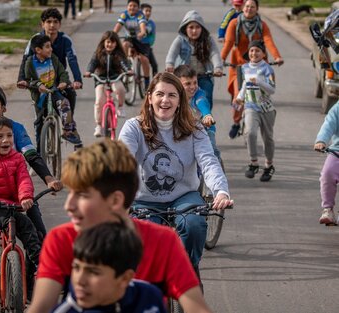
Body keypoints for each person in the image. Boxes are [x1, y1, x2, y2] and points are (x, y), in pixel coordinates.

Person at [28, 139, 213, 313]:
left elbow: (196, 307)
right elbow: (41, 307)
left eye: (82, 195)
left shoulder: (163, 241)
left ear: (116, 200)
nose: (69, 205)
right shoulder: (61, 240)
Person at [118, 72, 233, 277]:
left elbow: (208, 161)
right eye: (160, 94)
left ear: (180, 101)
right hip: (143, 200)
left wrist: (221, 191)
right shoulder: (133, 127)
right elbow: (122, 161)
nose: (165, 100)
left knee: (195, 225)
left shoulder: (194, 128)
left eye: (172, 95)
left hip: (183, 196)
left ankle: (188, 272)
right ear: (150, 97)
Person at [0, 84, 62, 280]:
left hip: (17, 194)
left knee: (37, 232)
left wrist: (49, 178)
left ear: (3, 108)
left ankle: (30, 277)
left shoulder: (15, 129)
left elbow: (31, 156)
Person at [0, 116, 42, 300]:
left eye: (9, 135)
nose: (6, 140)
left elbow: (23, 180)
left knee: (30, 231)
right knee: (18, 222)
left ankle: (38, 265)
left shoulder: (18, 158)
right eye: (0, 136)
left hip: (13, 206)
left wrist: (25, 197)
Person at [52, 220, 167, 312]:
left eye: (93, 272)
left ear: (125, 278)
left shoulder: (149, 296)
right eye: (76, 268)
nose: (80, 280)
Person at [221, 0, 283, 139]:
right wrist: (221, 60)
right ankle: (236, 122)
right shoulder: (234, 24)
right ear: (243, 8)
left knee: (260, 94)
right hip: (239, 66)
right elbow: (229, 43)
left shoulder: (262, 25)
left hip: (259, 66)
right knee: (238, 94)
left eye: (252, 7)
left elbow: (268, 40)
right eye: (247, 6)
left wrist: (277, 56)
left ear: (257, 9)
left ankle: (261, 120)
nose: (249, 9)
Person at [18, 8, 83, 115]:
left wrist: (77, 80)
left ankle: (68, 126)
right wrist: (22, 79)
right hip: (37, 80)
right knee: (40, 115)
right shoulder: (36, 39)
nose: (52, 25)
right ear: (42, 24)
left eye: (55, 22)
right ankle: (40, 126)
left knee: (70, 93)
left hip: (58, 78)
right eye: (48, 22)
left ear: (60, 24)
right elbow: (25, 59)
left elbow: (72, 60)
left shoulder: (65, 40)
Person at [22, 34, 82, 146]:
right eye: (48, 47)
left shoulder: (53, 59)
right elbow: (28, 80)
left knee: (64, 103)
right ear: (38, 50)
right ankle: (40, 152)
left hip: (54, 92)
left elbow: (62, 72)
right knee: (39, 124)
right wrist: (38, 85)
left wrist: (63, 81)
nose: (51, 49)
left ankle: (68, 131)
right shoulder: (30, 62)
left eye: (51, 46)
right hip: (40, 96)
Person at [233, 40, 276, 181]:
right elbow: (245, 85)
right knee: (250, 133)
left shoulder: (268, 69)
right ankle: (253, 162)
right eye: (251, 50)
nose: (254, 53)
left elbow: (272, 90)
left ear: (263, 53)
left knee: (267, 138)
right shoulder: (244, 68)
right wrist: (239, 98)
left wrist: (259, 82)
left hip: (267, 109)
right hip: (251, 107)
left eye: (257, 50)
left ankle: (268, 165)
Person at [165, 10, 223, 111]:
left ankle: (206, 121)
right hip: (185, 78)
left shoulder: (208, 40)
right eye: (191, 27)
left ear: (202, 29)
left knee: (205, 100)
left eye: (197, 27)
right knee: (181, 100)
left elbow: (214, 54)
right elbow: (172, 54)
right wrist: (170, 64)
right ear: (185, 28)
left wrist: (218, 68)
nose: (194, 30)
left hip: (204, 76)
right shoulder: (180, 40)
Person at [84, 30, 131, 137]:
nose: (110, 44)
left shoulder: (118, 54)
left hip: (115, 78)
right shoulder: (98, 53)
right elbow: (92, 63)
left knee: (120, 89)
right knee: (99, 101)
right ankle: (99, 125)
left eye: (113, 42)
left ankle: (120, 106)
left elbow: (124, 63)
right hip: (100, 79)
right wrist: (89, 71)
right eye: (108, 42)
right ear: (103, 42)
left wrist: (128, 70)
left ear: (116, 43)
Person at [174, 64, 220, 160]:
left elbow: (201, 102)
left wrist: (207, 115)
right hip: (184, 128)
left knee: (212, 150)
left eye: (195, 82)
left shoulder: (199, 94)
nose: (193, 87)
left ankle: (218, 169)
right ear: (177, 84)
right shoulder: (173, 97)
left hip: (205, 127)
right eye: (187, 84)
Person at [113, 0, 151, 90]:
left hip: (140, 39)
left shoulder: (140, 15)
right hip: (129, 38)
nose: (132, 8)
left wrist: (142, 32)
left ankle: (146, 82)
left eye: (135, 6)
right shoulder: (124, 15)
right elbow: (118, 26)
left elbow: (142, 25)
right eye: (130, 5)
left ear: (138, 8)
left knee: (144, 59)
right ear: (127, 6)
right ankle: (126, 63)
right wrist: (113, 35)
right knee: (125, 44)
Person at [315, 102, 339, 225]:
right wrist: (321, 140)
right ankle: (328, 209)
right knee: (327, 174)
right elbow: (328, 125)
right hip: (337, 150)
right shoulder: (337, 108)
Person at [141, 3, 158, 76]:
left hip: (146, 46)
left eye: (149, 11)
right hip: (136, 46)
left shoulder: (152, 24)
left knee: (154, 65)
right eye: (146, 11)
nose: (148, 13)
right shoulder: (136, 22)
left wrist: (148, 43)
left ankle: (154, 84)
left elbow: (152, 36)